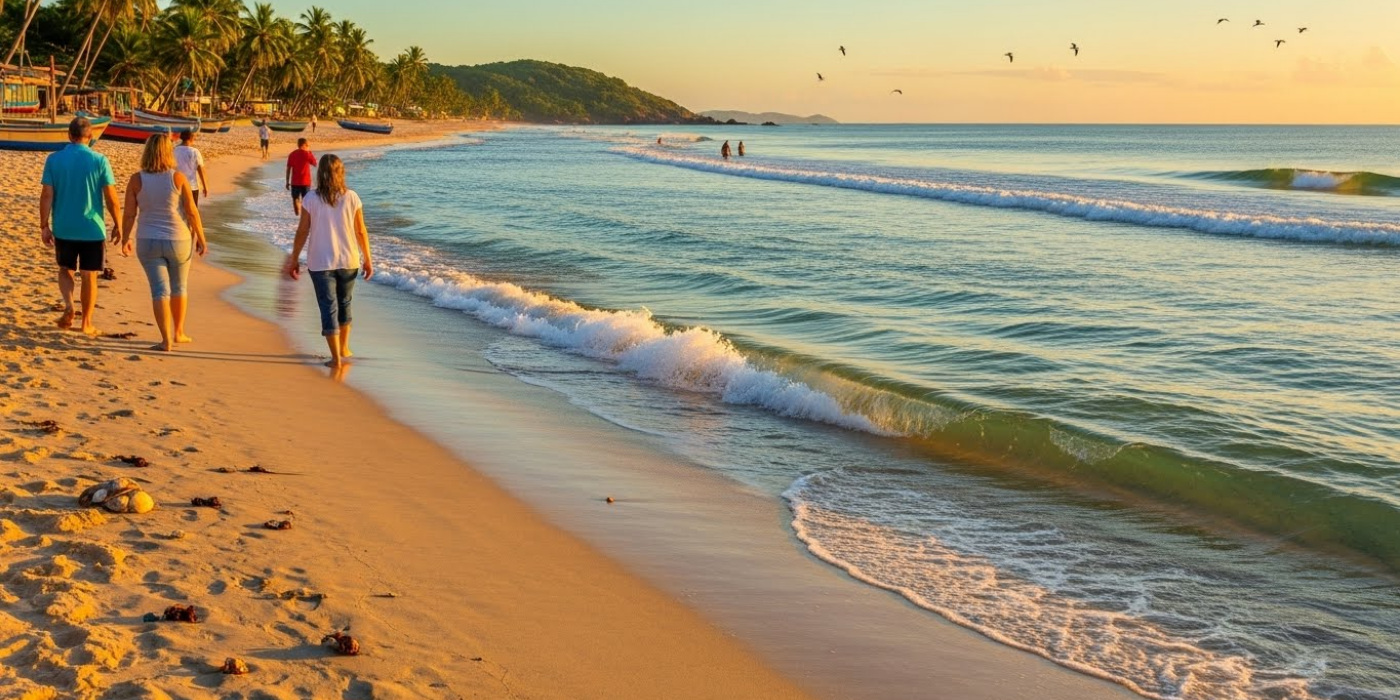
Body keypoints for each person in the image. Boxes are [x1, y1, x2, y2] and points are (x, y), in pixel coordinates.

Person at [283, 154, 373, 369]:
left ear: (319, 173)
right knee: (344, 303)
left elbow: (303, 231)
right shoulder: (352, 197)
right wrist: (368, 259)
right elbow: (361, 231)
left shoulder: (311, 199)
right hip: (349, 260)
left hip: (321, 261)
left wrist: (294, 259)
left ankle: (336, 358)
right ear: (341, 172)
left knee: (328, 307)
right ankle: (343, 348)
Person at [39, 117, 123, 336]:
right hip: (92, 228)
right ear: (91, 137)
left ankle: (69, 305)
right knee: (89, 276)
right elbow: (111, 197)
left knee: (65, 269)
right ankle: (86, 323)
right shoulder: (99, 160)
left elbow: (47, 194)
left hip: (64, 226)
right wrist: (118, 224)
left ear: (69, 135)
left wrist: (44, 225)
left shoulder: (54, 160)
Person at [122, 134, 207, 351]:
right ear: (169, 153)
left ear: (147, 151)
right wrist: (202, 238)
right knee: (179, 286)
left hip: (147, 240)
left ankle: (165, 339)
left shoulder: (136, 179)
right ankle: (179, 332)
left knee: (159, 290)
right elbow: (192, 211)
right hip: (178, 239)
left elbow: (129, 214)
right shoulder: (178, 178)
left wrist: (125, 238)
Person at [174, 129, 209, 206]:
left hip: (177, 186)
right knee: (192, 212)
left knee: (178, 212)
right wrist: (205, 187)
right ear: (191, 137)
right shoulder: (195, 152)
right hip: (192, 187)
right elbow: (200, 170)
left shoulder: (174, 150)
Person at [285, 137, 316, 216]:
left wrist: (287, 181)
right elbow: (314, 163)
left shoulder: (292, 154)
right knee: (306, 201)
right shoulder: (307, 154)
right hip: (305, 182)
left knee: (295, 199)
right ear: (305, 145)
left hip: (295, 182)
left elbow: (288, 169)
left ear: (298, 145)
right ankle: (304, 217)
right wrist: (309, 152)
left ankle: (297, 216)